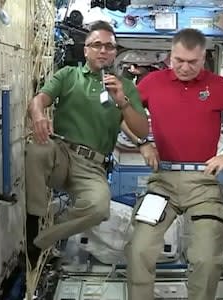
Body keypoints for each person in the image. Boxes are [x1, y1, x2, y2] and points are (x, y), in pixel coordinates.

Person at [124, 28, 223, 300]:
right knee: (139, 249)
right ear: (170, 56)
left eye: (192, 62)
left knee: (207, 258)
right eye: (178, 60)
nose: (184, 67)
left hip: (203, 184)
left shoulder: (218, 86)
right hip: (163, 182)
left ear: (203, 57)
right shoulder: (152, 82)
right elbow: (123, 114)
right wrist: (143, 143)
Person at [25, 21, 149, 268]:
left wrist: (122, 102)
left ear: (114, 52)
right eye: (96, 45)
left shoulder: (125, 88)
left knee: (99, 208)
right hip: (61, 154)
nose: (103, 51)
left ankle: (40, 241)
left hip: (93, 166)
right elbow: (39, 100)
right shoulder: (68, 76)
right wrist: (38, 114)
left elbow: (142, 130)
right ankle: (33, 219)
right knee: (37, 149)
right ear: (86, 50)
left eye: (109, 47)